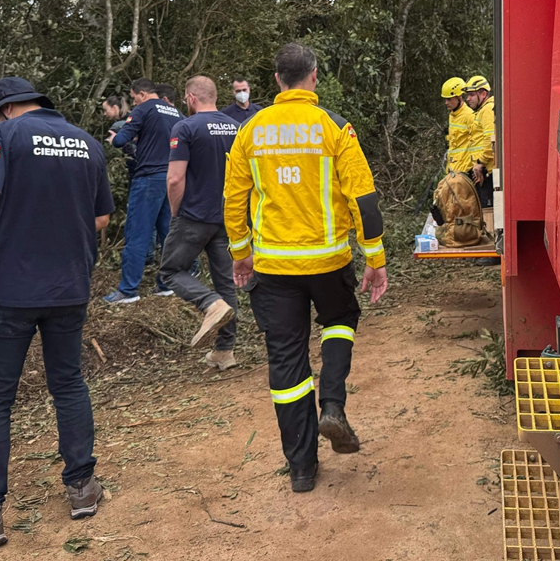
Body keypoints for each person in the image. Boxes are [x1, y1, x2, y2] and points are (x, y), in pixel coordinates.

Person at [0, 77, 113, 550]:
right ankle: (82, 488)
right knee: (68, 383)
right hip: (70, 287)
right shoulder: (87, 142)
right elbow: (101, 218)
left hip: (10, 289)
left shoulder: (3, 136)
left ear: (1, 111)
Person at [224, 43, 388, 493]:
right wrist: (375, 258)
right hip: (329, 261)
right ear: (313, 77)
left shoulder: (251, 131)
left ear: (277, 80)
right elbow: (364, 199)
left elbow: (233, 201)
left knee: (286, 358)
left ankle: (301, 468)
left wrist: (241, 253)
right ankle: (332, 404)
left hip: (273, 269)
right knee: (339, 319)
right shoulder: (334, 127)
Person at [157, 76, 239, 365]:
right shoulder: (236, 127)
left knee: (170, 272)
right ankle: (224, 351)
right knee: (226, 282)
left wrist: (176, 211)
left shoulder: (186, 126)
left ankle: (209, 303)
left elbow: (175, 177)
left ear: (191, 98)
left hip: (194, 214)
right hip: (228, 216)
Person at [105, 78, 183, 304]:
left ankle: (128, 291)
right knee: (168, 234)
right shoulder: (175, 112)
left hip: (148, 178)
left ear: (140, 94)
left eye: (133, 97)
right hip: (173, 179)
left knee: (138, 233)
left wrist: (114, 139)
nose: (133, 101)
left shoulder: (144, 109)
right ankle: (166, 284)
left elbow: (121, 140)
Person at [463, 75, 495, 208]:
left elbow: (490, 140)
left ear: (483, 94)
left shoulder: (487, 110)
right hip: (482, 169)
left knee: (485, 213)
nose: (468, 99)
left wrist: (480, 163)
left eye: (471, 95)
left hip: (486, 171)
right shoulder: (482, 110)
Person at [442, 77, 479, 175]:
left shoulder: (469, 116)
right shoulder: (452, 115)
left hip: (464, 171)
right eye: (445, 99)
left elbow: (476, 143)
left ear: (459, 97)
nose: (446, 102)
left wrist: (476, 166)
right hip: (452, 169)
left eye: (449, 99)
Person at [101, 96, 137, 177]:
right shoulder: (131, 119)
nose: (104, 113)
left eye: (106, 110)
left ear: (114, 108)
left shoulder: (126, 123)